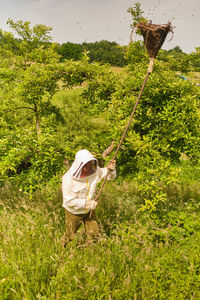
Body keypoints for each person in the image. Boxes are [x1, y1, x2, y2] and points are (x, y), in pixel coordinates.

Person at [62, 149, 116, 247]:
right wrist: (87, 203)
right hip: (73, 212)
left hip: (89, 211)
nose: (88, 167)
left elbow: (109, 177)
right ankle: (63, 250)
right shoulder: (68, 179)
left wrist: (111, 170)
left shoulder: (94, 170)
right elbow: (68, 201)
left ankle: (90, 252)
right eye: (85, 165)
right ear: (79, 164)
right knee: (70, 235)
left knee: (94, 234)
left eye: (90, 163)